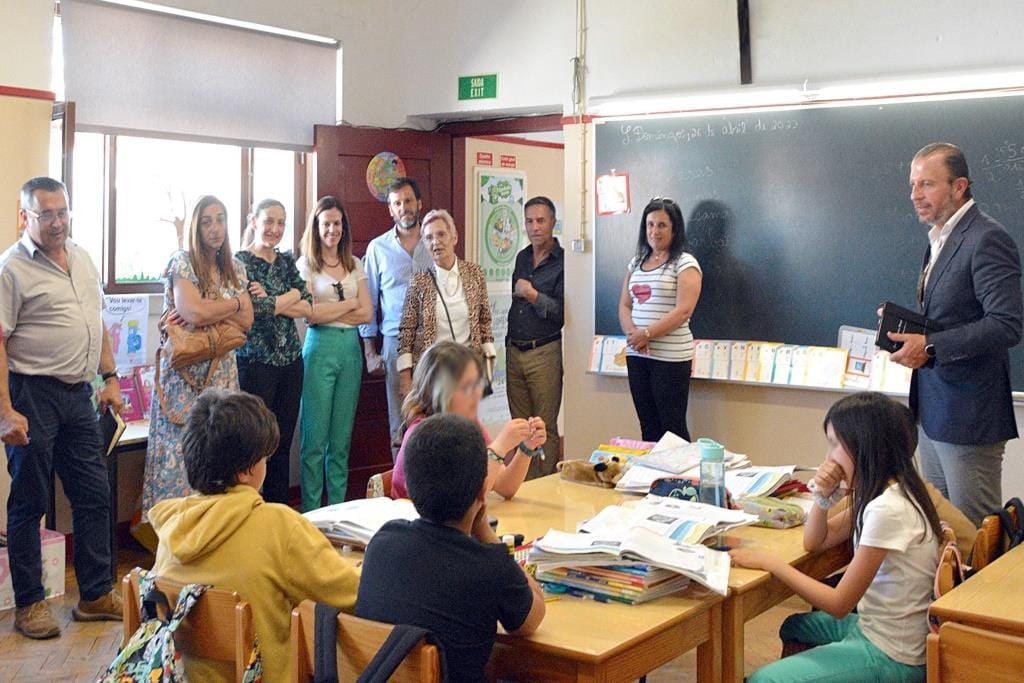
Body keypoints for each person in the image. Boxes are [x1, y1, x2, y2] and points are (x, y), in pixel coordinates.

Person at [150, 389, 359, 682]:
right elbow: (352, 594)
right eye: (264, 457)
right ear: (247, 470)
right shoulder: (277, 525)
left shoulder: (171, 528)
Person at [730, 392, 942, 683]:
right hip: (876, 628)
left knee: (763, 680)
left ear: (862, 446)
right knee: (795, 626)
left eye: (834, 445)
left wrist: (771, 564)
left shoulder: (888, 509)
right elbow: (815, 542)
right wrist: (823, 497)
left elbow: (839, 604)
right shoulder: (887, 490)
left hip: (893, 655)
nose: (829, 457)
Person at [0, 177, 125, 639]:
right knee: (30, 501)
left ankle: (94, 596)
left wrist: (109, 378)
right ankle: (30, 604)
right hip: (31, 393)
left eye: (62, 211)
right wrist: (5, 411)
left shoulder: (83, 258)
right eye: (45, 213)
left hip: (78, 395)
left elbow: (96, 324)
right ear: (25, 217)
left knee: (94, 494)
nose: (56, 221)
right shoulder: (11, 269)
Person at [888, 142, 1022, 526]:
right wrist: (908, 329)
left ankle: (983, 591)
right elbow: (953, 316)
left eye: (927, 184)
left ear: (959, 186)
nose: (915, 195)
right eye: (913, 184)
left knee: (976, 531)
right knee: (943, 528)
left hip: (969, 414)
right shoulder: (940, 239)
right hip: (934, 409)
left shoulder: (985, 238)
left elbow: (1007, 323)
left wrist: (929, 345)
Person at [356, 413, 545, 683]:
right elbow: (533, 619)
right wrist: (486, 533)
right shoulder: (489, 566)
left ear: (409, 485)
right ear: (482, 493)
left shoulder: (383, 542)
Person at [143, 196, 253, 518]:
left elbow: (246, 321)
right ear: (196, 225)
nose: (215, 228)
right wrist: (232, 305)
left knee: (219, 448)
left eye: (220, 219)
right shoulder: (183, 261)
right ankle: (175, 536)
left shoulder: (235, 266)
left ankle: (214, 532)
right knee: (181, 452)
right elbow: (192, 311)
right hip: (184, 377)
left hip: (221, 373)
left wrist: (210, 311)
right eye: (207, 221)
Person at [391, 341, 544, 501]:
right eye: (466, 387)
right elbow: (467, 502)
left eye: (477, 384)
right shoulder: (424, 435)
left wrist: (526, 447)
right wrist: (499, 449)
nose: (477, 393)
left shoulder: (469, 424)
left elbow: (505, 486)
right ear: (438, 392)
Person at [235, 198, 312, 505]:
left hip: (291, 361)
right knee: (255, 442)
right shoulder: (240, 262)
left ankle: (278, 512)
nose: (275, 229)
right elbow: (256, 309)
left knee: (282, 442)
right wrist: (287, 299)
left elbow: (308, 303)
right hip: (256, 361)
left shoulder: (285, 261)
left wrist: (276, 298)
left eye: (281, 223)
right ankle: (251, 511)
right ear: (254, 221)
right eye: (269, 221)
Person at [296, 196, 371, 510]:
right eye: (325, 223)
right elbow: (311, 314)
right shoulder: (305, 265)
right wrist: (349, 305)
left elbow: (366, 313)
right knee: (314, 440)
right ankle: (312, 513)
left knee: (339, 442)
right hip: (320, 348)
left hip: (349, 351)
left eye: (337, 223)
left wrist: (335, 310)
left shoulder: (355, 264)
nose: (332, 229)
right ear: (316, 227)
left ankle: (337, 510)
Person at [618, 197, 703, 442]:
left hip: (670, 358)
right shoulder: (636, 262)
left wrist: (647, 334)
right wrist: (634, 335)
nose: (654, 231)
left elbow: (683, 311)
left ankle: (679, 480)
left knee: (672, 427)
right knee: (648, 424)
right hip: (638, 355)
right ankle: (652, 480)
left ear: (675, 229)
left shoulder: (685, 263)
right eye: (650, 225)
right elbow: (624, 304)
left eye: (662, 225)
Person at [360, 177, 433, 459]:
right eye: (397, 203)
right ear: (391, 210)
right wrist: (369, 352)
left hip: (432, 341)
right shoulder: (378, 249)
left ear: (419, 204)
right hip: (394, 343)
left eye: (409, 201)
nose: (404, 208)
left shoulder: (434, 242)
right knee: (400, 423)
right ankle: (402, 491)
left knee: (434, 415)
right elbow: (369, 301)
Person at [397, 209, 496, 394]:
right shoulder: (419, 281)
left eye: (441, 234)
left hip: (468, 370)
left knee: (464, 423)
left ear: (455, 237)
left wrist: (489, 361)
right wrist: (405, 377)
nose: (436, 242)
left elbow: (484, 321)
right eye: (428, 237)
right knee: (436, 423)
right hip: (432, 372)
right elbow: (407, 330)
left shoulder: (475, 274)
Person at [506, 196, 565, 479]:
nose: (535, 227)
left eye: (541, 220)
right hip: (514, 351)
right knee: (520, 426)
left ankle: (546, 486)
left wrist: (533, 295)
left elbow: (562, 312)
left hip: (544, 352)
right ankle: (522, 485)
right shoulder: (521, 257)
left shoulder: (564, 262)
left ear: (553, 222)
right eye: (529, 221)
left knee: (544, 427)